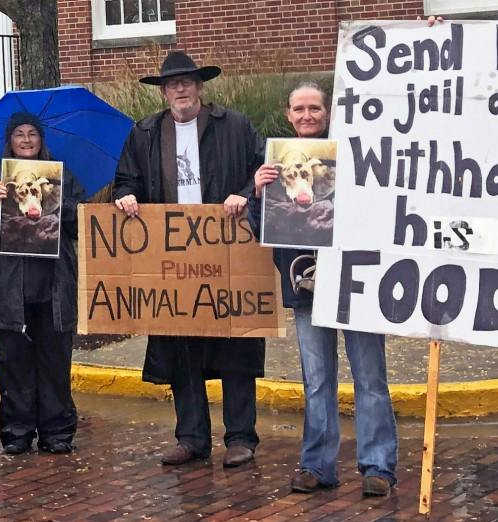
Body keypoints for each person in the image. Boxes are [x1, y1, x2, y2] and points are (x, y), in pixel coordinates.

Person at [113, 50, 266, 467]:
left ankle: (240, 436)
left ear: (200, 87)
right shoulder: (144, 133)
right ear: (163, 93)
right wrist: (125, 196)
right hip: (172, 256)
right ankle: (192, 436)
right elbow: (127, 180)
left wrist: (247, 193)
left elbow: (263, 172)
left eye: (187, 82)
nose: (180, 89)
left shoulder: (234, 127)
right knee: (181, 343)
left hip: (228, 251)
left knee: (235, 344)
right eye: (172, 84)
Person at [254, 80, 397, 497]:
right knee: (317, 379)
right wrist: (258, 192)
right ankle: (317, 464)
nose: (306, 116)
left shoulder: (355, 153)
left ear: (328, 112)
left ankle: (378, 466)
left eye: (314, 108)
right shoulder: (275, 164)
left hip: (358, 281)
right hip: (306, 286)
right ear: (288, 115)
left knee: (369, 376)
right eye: (299, 109)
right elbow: (261, 229)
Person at [0, 112, 84, 455]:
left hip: (54, 290)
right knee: (13, 364)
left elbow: (82, 223)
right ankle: (16, 432)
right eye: (20, 134)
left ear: (41, 139)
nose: (27, 140)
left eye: (33, 134)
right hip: (9, 292)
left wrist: (60, 206)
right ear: (9, 141)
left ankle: (57, 432)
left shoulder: (62, 177)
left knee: (54, 363)